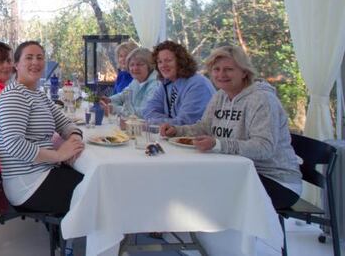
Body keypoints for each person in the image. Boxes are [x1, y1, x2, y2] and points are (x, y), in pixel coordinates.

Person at [161, 45, 301, 209]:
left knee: (199, 188)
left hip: (275, 179)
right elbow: (205, 127)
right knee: (183, 178)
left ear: (244, 72)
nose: (221, 75)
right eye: (216, 69)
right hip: (236, 170)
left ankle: (210, 233)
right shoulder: (221, 95)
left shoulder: (261, 99)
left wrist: (218, 144)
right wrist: (177, 130)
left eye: (228, 69)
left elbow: (264, 147)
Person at [0, 41, 85, 214]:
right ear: (16, 64)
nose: (35, 62)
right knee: (98, 190)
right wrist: (58, 155)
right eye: (29, 58)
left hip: (44, 172)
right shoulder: (14, 95)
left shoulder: (37, 94)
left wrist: (74, 138)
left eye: (40, 58)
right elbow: (14, 145)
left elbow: (65, 122)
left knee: (96, 181)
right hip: (27, 184)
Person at [142, 40, 214, 125]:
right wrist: (170, 122)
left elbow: (186, 122)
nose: (163, 65)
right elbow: (148, 111)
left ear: (181, 61)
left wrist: (159, 122)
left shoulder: (198, 85)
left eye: (168, 60)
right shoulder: (166, 83)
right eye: (159, 62)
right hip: (173, 136)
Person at [100, 47, 159, 118]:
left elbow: (145, 112)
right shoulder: (136, 81)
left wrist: (114, 109)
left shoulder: (156, 84)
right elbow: (123, 96)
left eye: (140, 64)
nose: (135, 68)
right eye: (132, 65)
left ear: (149, 66)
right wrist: (109, 100)